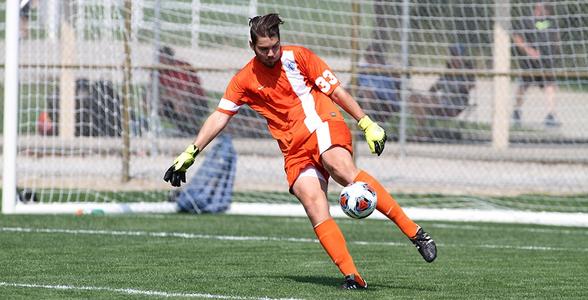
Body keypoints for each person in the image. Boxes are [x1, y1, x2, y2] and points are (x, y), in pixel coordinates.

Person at [163, 14, 437, 289]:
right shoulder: (244, 79)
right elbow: (220, 116)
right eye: (263, 49)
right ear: (251, 46)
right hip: (293, 149)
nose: (271, 53)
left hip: (321, 122)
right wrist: (191, 152)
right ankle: (353, 277)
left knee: (339, 167)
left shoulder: (299, 57)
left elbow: (337, 92)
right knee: (313, 204)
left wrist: (365, 123)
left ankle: (416, 233)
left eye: (275, 46)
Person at [408, 44, 476, 138]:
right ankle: (422, 131)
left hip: (455, 105)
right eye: (452, 55)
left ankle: (421, 132)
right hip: (442, 103)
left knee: (419, 102)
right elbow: (433, 88)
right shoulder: (448, 72)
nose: (453, 58)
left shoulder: (466, 72)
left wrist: (457, 87)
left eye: (456, 55)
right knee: (414, 97)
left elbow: (470, 85)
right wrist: (433, 96)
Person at [511, 2, 561, 127]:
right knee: (523, 86)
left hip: (546, 62)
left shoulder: (550, 21)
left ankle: (550, 115)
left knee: (550, 86)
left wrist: (555, 50)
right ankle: (516, 111)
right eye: (545, 8)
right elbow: (517, 38)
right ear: (538, 8)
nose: (548, 11)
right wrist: (529, 50)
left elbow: (556, 37)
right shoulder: (527, 21)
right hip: (530, 63)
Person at [157, 46, 207, 136]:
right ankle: (184, 130)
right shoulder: (159, 71)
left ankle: (192, 129)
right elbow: (156, 90)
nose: (159, 60)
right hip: (173, 101)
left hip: (196, 101)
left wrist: (170, 95)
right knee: (163, 101)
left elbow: (187, 91)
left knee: (180, 99)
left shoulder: (182, 66)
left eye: (162, 58)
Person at [356, 43, 401, 123]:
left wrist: (382, 69)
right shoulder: (362, 70)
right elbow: (350, 88)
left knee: (368, 92)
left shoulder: (388, 69)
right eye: (369, 56)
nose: (371, 60)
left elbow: (399, 77)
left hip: (386, 104)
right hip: (364, 101)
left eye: (375, 57)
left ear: (381, 58)